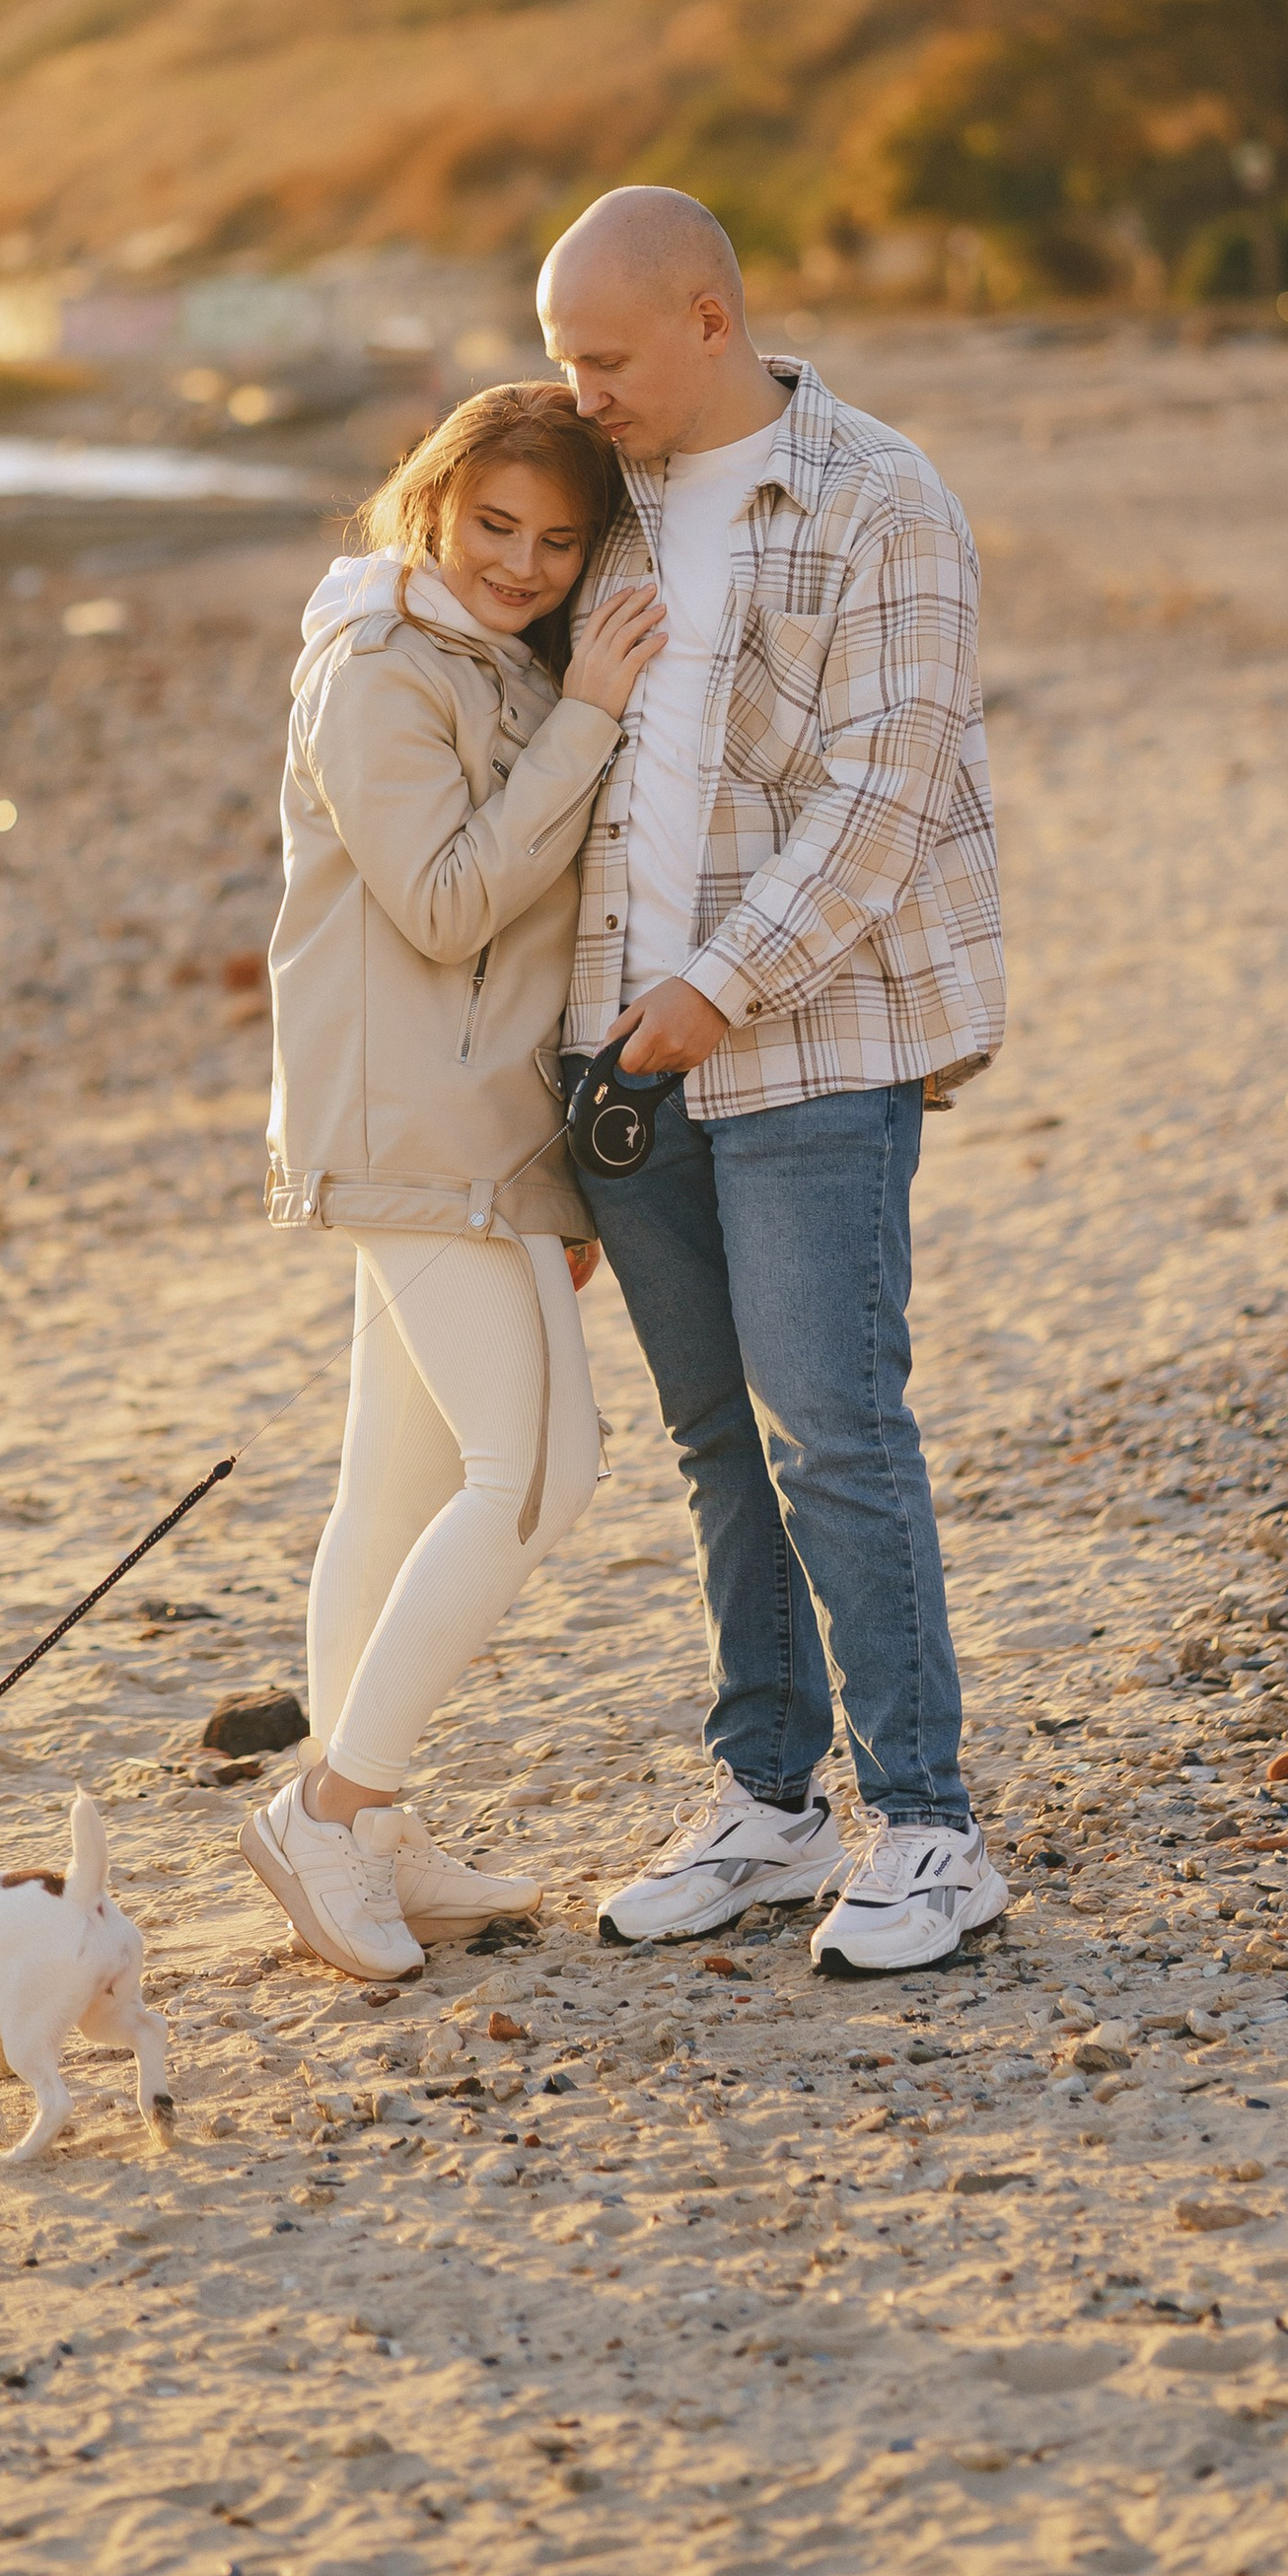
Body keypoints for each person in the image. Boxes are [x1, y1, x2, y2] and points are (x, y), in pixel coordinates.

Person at [538, 187, 1009, 1974]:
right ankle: (772, 1803)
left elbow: (881, 803)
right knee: (716, 1442)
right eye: (558, 357)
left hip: (808, 1040)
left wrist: (712, 996)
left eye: (605, 356)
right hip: (622, 1058)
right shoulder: (611, 503)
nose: (577, 391)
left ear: (711, 320)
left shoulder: (886, 497)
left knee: (838, 1430)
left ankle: (932, 1826)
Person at [245, 384, 666, 1981]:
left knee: (399, 1487)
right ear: (431, 499)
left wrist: (554, 1172)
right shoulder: (373, 668)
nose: (524, 562)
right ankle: (330, 1813)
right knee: (541, 1475)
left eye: (559, 540)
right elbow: (438, 905)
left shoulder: (489, 657)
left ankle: (375, 1826)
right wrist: (591, 718)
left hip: (470, 1131)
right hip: (413, 1130)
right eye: (495, 523)